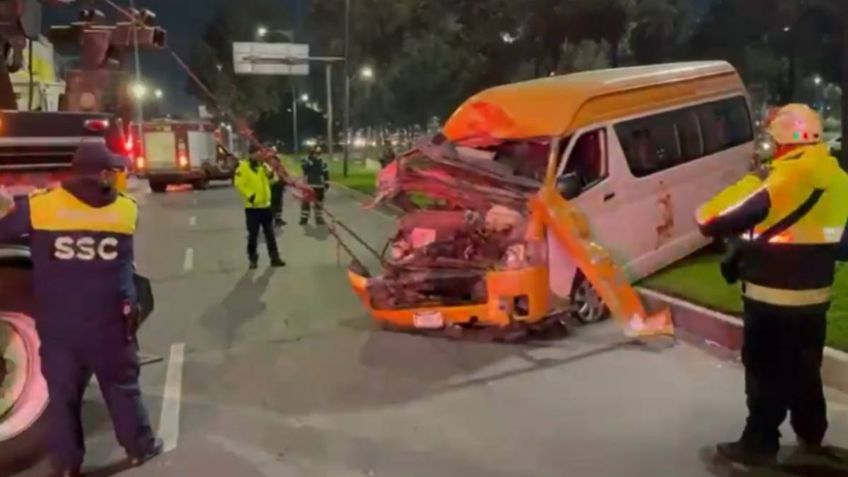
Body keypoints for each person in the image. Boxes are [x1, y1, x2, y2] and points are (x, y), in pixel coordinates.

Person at [696, 104, 848, 466]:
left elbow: (708, 218)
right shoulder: (840, 180)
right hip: (815, 300)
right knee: (805, 368)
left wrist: (752, 180)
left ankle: (759, 442)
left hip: (769, 299)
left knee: (764, 370)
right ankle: (812, 440)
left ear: (781, 142)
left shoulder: (777, 178)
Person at [0, 143, 163, 477]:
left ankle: (67, 465)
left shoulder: (40, 207)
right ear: (103, 174)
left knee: (63, 397)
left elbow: (6, 230)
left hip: (61, 325)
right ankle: (139, 448)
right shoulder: (126, 211)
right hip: (111, 324)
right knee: (121, 389)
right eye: (112, 171)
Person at [234, 146, 285, 269]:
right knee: (253, 235)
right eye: (256, 153)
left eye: (259, 153)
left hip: (266, 206)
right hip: (252, 208)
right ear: (251, 154)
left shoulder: (264, 166)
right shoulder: (243, 167)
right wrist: (250, 196)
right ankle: (253, 258)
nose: (259, 155)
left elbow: (274, 180)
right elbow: (239, 184)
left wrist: (271, 174)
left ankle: (274, 258)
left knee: (270, 234)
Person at [300, 146, 329, 226]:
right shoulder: (306, 161)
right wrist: (310, 160)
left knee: (319, 203)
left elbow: (326, 173)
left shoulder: (323, 162)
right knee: (306, 202)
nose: (316, 155)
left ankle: (319, 218)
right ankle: (304, 218)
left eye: (317, 154)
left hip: (319, 185)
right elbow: (305, 169)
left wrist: (326, 183)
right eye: (314, 153)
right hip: (309, 185)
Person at [267, 153, 287, 227]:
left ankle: (278, 220)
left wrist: (286, 180)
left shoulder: (280, 165)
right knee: (272, 203)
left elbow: (285, 173)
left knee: (278, 203)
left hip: (279, 186)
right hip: (272, 186)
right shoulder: (267, 166)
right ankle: (270, 220)